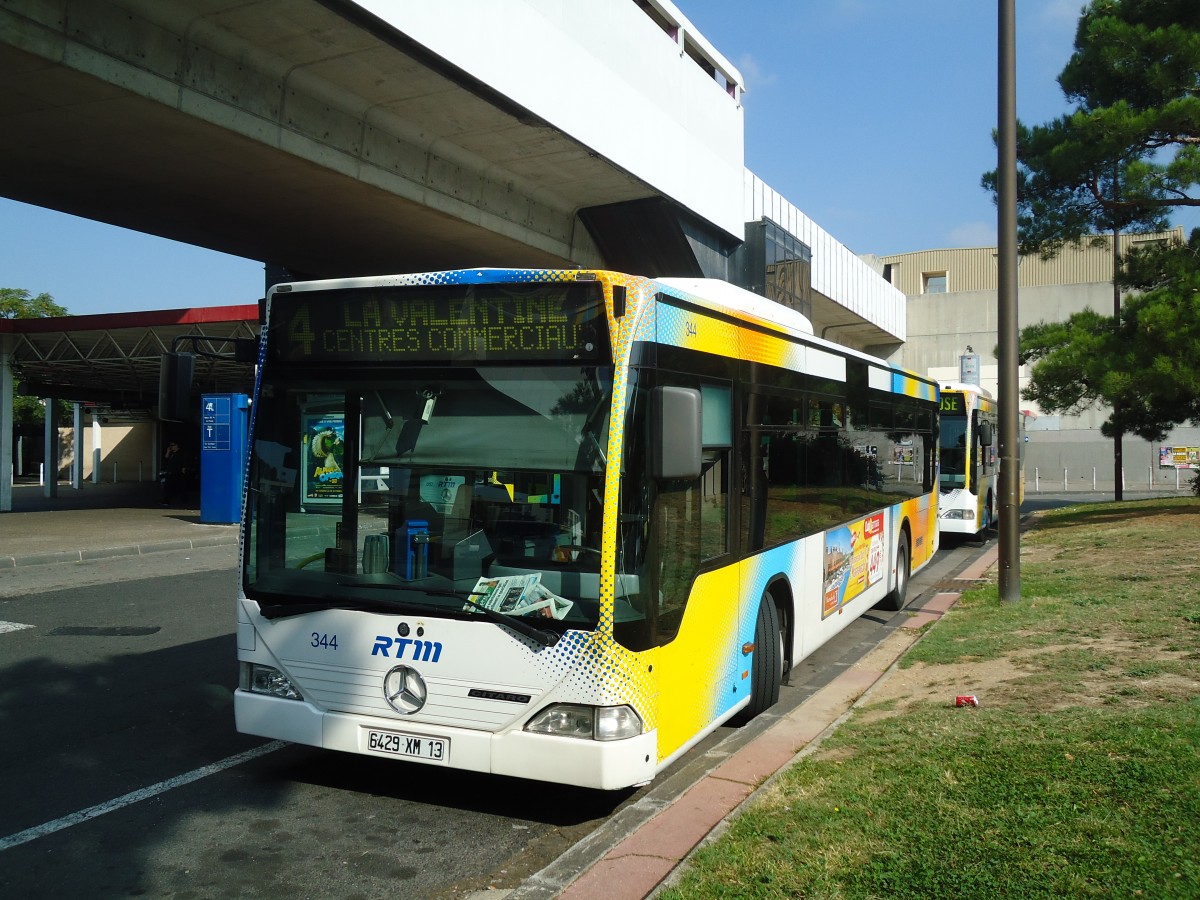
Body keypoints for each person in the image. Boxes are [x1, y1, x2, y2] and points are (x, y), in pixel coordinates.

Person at [161, 441, 185, 505]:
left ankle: (183, 500)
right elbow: (165, 460)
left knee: (181, 487)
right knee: (168, 487)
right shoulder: (171, 454)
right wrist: (168, 452)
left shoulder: (181, 454)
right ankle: (166, 500)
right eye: (171, 446)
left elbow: (183, 462)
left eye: (173, 445)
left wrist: (183, 470)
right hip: (170, 472)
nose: (172, 447)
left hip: (178, 472)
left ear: (177, 446)